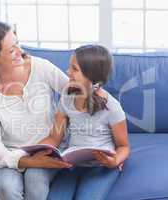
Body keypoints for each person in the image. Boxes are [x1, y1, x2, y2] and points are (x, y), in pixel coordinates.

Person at [0, 21, 72, 200]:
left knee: (35, 182)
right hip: (11, 150)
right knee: (7, 188)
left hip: (49, 144)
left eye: (17, 43)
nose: (19, 51)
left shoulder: (40, 67)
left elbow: (75, 93)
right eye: (11, 50)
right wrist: (28, 161)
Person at [39, 44, 130, 200]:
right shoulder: (67, 98)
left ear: (91, 74)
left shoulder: (112, 107)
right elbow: (55, 138)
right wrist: (35, 151)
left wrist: (115, 161)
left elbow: (124, 146)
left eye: (74, 69)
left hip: (101, 167)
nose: (68, 72)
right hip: (72, 165)